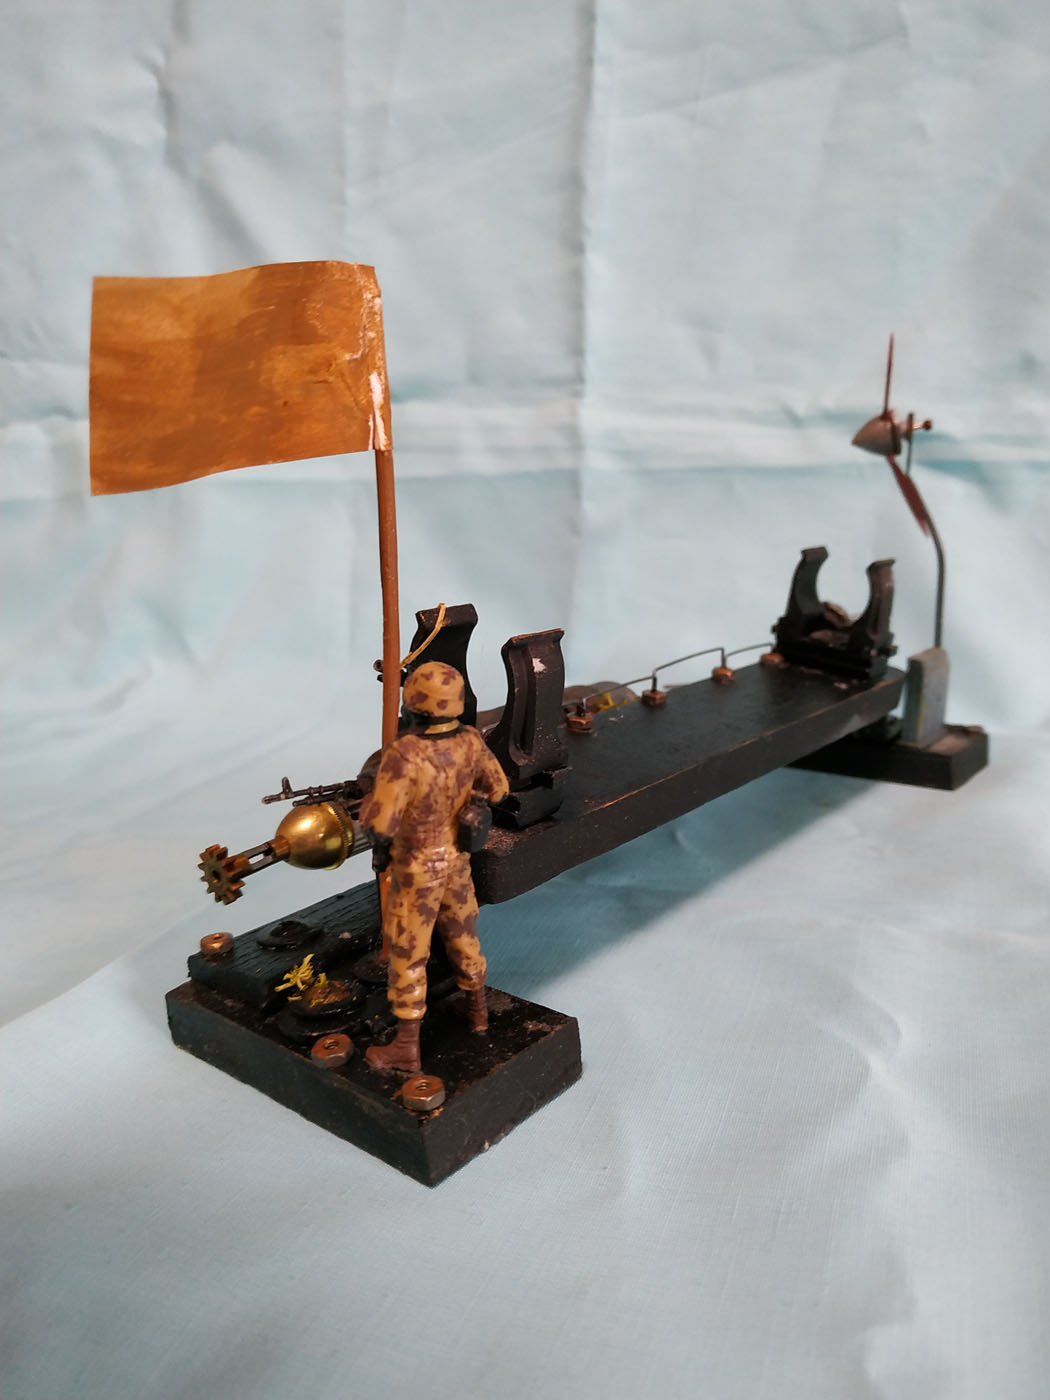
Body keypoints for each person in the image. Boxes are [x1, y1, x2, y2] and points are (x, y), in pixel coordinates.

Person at [360, 661, 509, 1072]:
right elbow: (499, 789)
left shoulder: (404, 754)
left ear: (413, 703)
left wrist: (370, 809)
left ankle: (406, 1047)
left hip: (416, 869)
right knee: (463, 933)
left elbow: (381, 824)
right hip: (457, 861)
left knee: (408, 950)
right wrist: (469, 804)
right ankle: (478, 1013)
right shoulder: (471, 741)